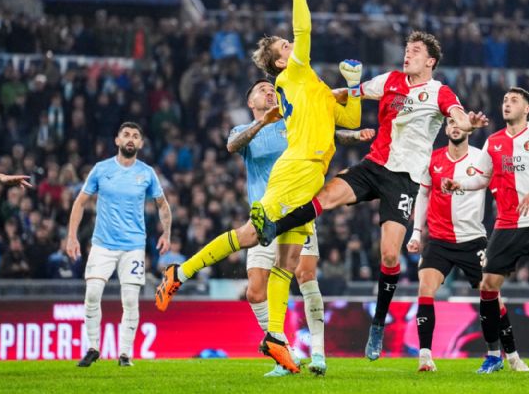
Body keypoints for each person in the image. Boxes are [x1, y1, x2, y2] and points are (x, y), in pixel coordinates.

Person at [155, 0, 362, 374]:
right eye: (285, 47)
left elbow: (351, 121)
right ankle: (181, 270)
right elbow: (305, 30)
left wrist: (353, 86)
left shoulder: (313, 88)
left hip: (311, 177)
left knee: (287, 264)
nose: (292, 46)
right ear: (281, 62)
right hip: (295, 171)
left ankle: (275, 340)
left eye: (288, 44)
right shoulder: (294, 76)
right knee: (253, 235)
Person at [252, 31, 488, 361]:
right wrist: (314, 97)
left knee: (390, 256)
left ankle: (377, 324)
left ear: (430, 61)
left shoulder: (439, 92)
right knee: (324, 197)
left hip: (404, 181)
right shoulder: (390, 80)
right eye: (407, 50)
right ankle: (272, 229)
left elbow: (458, 115)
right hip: (373, 165)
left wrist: (469, 123)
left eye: (415, 52)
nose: (408, 55)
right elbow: (349, 92)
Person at [158, 78, 373, 376]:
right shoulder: (244, 131)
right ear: (251, 103)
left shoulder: (293, 121)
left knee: (305, 275)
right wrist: (262, 123)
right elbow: (232, 145)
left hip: (298, 210)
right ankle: (285, 351)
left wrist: (355, 134)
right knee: (255, 292)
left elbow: (329, 133)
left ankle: (319, 355)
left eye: (272, 89)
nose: (269, 92)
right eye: (262, 90)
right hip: (265, 213)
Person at [442, 87, 529, 375]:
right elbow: (483, 178)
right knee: (487, 286)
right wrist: (460, 184)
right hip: (507, 223)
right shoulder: (493, 142)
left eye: (514, 101)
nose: (507, 104)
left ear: (527, 108)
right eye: (504, 100)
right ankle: (493, 356)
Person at [406, 117, 529, 373]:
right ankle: (425, 357)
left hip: (473, 241)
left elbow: (502, 181)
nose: (454, 126)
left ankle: (514, 356)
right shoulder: (433, 159)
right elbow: (423, 194)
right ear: (446, 128)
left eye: (459, 122)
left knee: (494, 298)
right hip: (439, 241)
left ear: (468, 129)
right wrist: (417, 233)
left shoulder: (481, 158)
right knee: (425, 291)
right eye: (450, 121)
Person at [67, 122, 172, 367]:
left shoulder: (146, 173)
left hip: (133, 246)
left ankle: (125, 354)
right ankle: (93, 347)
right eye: (126, 135)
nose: (130, 139)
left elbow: (163, 205)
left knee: (130, 300)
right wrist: (71, 236)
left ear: (141, 144)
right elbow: (80, 203)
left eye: (135, 136)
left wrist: (166, 233)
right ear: (117, 140)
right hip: (102, 244)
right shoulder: (101, 169)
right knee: (92, 293)